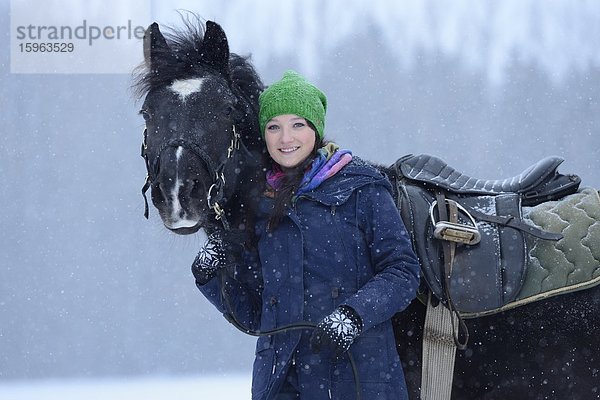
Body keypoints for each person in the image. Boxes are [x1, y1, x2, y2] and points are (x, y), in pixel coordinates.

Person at [192, 70, 420, 400]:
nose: (286, 138)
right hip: (280, 383)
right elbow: (256, 315)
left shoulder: (362, 187)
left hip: (357, 379)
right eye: (274, 127)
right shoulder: (259, 205)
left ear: (315, 128)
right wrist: (214, 278)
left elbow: (402, 272)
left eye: (297, 124)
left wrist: (352, 316)